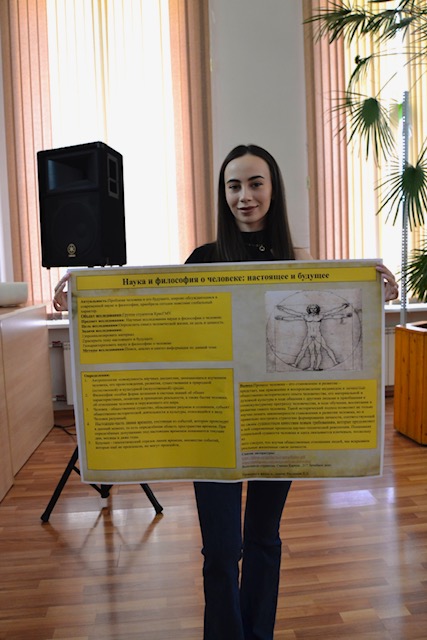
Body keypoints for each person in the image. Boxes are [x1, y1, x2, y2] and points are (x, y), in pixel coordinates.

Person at [52, 144, 399, 640]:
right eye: (234, 186)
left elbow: (339, 313)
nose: (244, 196)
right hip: (211, 425)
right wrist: (85, 293)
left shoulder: (299, 262)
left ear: (273, 189)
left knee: (263, 538)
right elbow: (155, 314)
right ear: (224, 193)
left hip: (277, 422)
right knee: (219, 549)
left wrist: (374, 290)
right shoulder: (204, 259)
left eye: (255, 183)